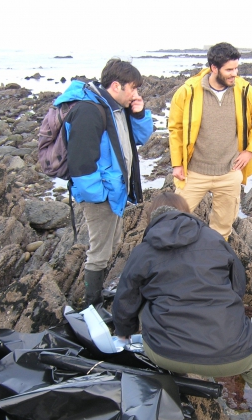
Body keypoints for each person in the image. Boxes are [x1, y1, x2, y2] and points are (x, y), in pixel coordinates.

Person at [112, 193, 252, 420]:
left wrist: (123, 333)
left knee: (147, 300)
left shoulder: (144, 250)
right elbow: (237, 286)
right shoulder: (214, 239)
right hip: (233, 353)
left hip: (165, 353)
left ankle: (176, 384)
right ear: (187, 212)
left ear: (152, 218)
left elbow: (125, 301)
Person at [60, 59, 153, 306]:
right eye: (132, 88)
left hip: (114, 191)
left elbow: (141, 138)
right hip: (101, 195)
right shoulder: (90, 111)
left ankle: (97, 295)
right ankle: (92, 304)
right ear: (116, 85)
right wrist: (98, 195)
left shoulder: (117, 108)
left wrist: (139, 113)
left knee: (110, 245)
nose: (136, 93)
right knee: (99, 251)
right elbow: (81, 162)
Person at [168, 42, 252, 240]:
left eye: (236, 68)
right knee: (175, 221)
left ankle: (214, 264)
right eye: (229, 69)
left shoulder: (244, 90)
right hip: (194, 172)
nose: (235, 73)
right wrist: (177, 164)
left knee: (222, 229)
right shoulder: (188, 91)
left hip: (229, 172)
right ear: (214, 68)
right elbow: (176, 128)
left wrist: (250, 151)